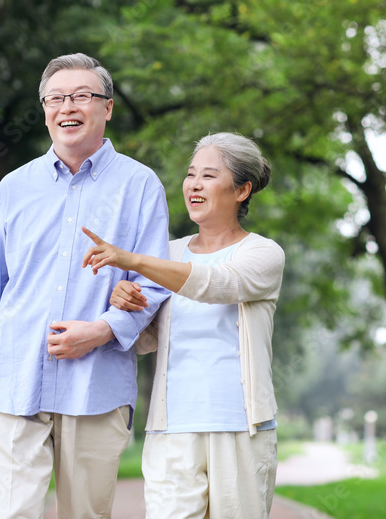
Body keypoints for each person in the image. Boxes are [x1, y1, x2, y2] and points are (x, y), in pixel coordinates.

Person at [0, 53, 172, 519]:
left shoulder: (140, 186)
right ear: (45, 109)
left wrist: (101, 330)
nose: (66, 107)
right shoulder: (14, 187)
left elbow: (152, 283)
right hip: (12, 382)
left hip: (95, 388)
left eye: (81, 96)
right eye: (55, 98)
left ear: (107, 107)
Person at [80, 132, 285, 519]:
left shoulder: (263, 253)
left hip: (241, 427)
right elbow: (146, 341)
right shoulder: (168, 253)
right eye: (191, 174)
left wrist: (133, 260)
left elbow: (216, 284)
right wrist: (128, 302)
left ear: (242, 189)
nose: (194, 184)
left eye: (209, 175)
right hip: (171, 427)